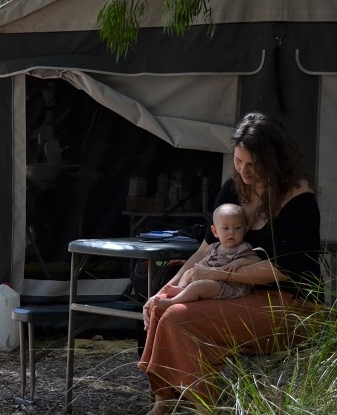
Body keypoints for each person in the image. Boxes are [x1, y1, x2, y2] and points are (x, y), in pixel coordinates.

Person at [138, 112, 322, 414]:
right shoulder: (234, 189)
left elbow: (283, 270)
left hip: (290, 305)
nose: (244, 170)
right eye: (239, 161)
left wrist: (218, 273)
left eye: (253, 164)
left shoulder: (298, 200)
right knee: (161, 308)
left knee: (177, 318)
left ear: (275, 161)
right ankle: (165, 399)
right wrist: (164, 290)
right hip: (236, 294)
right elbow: (203, 251)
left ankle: (204, 404)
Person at [150, 203, 258, 313]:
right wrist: (197, 268)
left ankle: (172, 302)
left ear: (245, 229)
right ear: (215, 231)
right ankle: (182, 289)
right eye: (226, 228)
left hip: (228, 286)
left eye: (237, 228)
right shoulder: (214, 247)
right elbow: (205, 261)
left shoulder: (243, 248)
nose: (231, 232)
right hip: (210, 279)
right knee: (189, 271)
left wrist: (239, 262)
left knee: (199, 286)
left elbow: (256, 261)